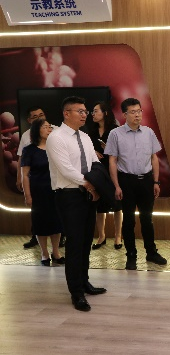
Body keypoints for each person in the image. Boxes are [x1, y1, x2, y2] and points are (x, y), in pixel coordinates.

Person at [46, 96, 106, 312]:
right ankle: (76, 292)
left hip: (88, 194)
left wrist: (95, 186)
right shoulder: (56, 138)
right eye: (80, 111)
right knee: (74, 243)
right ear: (66, 113)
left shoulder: (85, 137)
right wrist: (89, 185)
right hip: (69, 195)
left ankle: (84, 281)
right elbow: (66, 170)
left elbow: (95, 163)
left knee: (86, 241)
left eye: (85, 111)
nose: (84, 115)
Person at [104, 98, 167, 271]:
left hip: (146, 181)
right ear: (124, 114)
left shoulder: (148, 132)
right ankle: (131, 255)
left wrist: (156, 181)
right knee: (129, 220)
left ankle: (151, 252)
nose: (137, 115)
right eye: (133, 112)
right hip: (126, 181)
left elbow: (154, 158)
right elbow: (112, 161)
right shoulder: (115, 134)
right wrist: (116, 186)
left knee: (147, 219)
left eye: (139, 111)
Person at [20, 118, 65, 266]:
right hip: (38, 191)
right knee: (41, 223)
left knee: (56, 222)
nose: (49, 129)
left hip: (56, 190)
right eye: (45, 127)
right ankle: (44, 253)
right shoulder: (29, 150)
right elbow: (25, 175)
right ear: (37, 130)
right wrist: (27, 195)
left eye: (49, 127)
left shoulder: (55, 147)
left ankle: (56, 252)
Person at [87, 101, 123, 250]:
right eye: (92, 111)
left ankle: (118, 236)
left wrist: (107, 148)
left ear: (105, 113)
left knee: (117, 204)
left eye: (96, 111)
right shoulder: (91, 131)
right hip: (97, 171)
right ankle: (101, 236)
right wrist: (93, 152)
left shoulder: (115, 130)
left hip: (113, 170)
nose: (93, 114)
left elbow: (122, 152)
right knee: (99, 206)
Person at [17, 106, 47, 249]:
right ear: (29, 120)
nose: (40, 118)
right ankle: (35, 237)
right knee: (36, 212)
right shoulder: (26, 136)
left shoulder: (54, 130)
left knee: (56, 212)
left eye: (41, 114)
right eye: (35, 116)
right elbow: (21, 158)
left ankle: (60, 239)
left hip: (53, 181)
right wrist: (19, 178)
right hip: (36, 180)